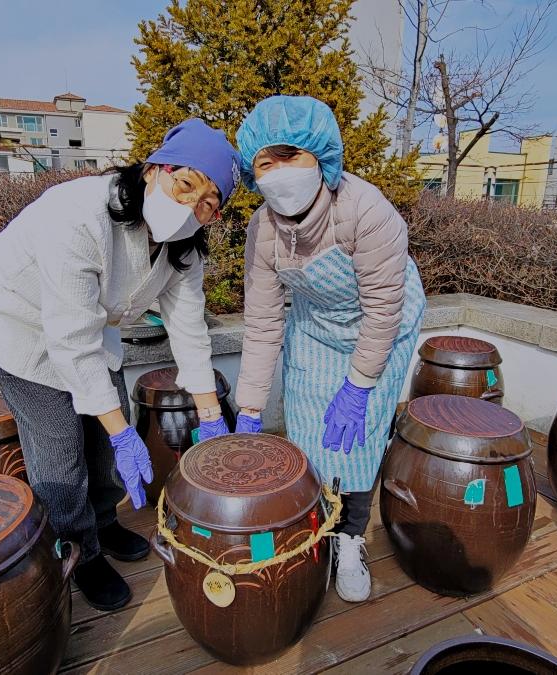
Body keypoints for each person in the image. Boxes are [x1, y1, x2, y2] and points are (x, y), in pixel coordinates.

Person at [0, 119, 240, 611]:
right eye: (185, 184)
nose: (191, 207)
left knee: (106, 440)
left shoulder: (183, 249)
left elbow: (189, 330)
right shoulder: (78, 215)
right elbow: (69, 343)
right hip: (20, 331)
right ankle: (77, 552)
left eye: (208, 204)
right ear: (155, 168)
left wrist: (212, 416)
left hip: (88, 331)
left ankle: (104, 524)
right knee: (61, 447)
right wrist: (120, 432)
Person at [230, 96, 425, 603]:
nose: (278, 173)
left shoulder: (366, 210)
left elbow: (384, 310)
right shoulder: (263, 231)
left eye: (289, 155)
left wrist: (359, 386)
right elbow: (264, 322)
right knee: (310, 436)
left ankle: (351, 539)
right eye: (264, 163)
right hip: (316, 327)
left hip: (381, 328)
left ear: (321, 155)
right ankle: (317, 526)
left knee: (355, 444)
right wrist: (249, 407)